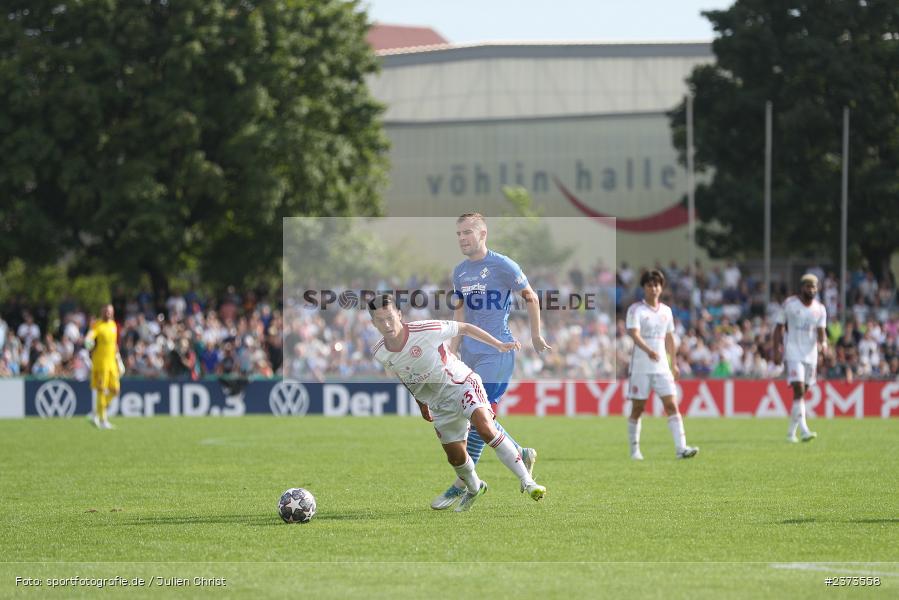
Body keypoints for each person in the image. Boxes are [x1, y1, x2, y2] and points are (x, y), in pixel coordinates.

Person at [368, 294, 546, 512]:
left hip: (461, 383)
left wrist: (498, 344)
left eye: (389, 317)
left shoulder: (425, 329)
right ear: (373, 322)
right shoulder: (380, 352)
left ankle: (528, 482)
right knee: (456, 457)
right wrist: (420, 402)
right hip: (438, 403)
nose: (386, 324)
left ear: (399, 314)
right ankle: (474, 487)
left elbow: (465, 327)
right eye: (380, 320)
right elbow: (404, 375)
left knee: (485, 428)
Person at [431, 212, 551, 510]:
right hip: (469, 353)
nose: (462, 238)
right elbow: (460, 314)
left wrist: (536, 335)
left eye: (467, 233)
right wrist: (454, 347)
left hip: (497, 353)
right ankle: (520, 452)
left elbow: (531, 297)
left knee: (476, 417)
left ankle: (464, 484)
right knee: (479, 418)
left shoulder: (502, 265)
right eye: (458, 234)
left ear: (483, 234)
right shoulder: (459, 272)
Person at [626, 270, 699, 460]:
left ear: (662, 287)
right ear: (644, 288)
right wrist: (649, 350)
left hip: (661, 368)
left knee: (672, 405)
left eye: (657, 284)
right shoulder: (636, 310)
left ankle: (681, 448)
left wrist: (673, 363)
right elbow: (634, 334)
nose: (654, 288)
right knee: (638, 408)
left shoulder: (666, 311)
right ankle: (635, 450)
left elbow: (669, 338)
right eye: (650, 285)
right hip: (641, 367)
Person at [773, 274, 827, 442]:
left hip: (811, 355)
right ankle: (804, 430)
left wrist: (824, 347)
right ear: (802, 287)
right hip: (793, 352)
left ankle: (791, 433)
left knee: (802, 393)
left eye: (814, 287)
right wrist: (776, 349)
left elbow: (821, 333)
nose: (811, 290)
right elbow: (778, 328)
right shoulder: (790, 304)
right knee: (799, 389)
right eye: (808, 287)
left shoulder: (820, 309)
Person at [84, 304, 123, 429]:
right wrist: (88, 341)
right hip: (100, 363)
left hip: (112, 363)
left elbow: (114, 345)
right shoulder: (97, 324)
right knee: (101, 390)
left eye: (110, 312)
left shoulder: (113, 325)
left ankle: (96, 412)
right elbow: (90, 337)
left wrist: (119, 361)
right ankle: (103, 420)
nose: (108, 314)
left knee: (115, 390)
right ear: (102, 312)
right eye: (106, 311)